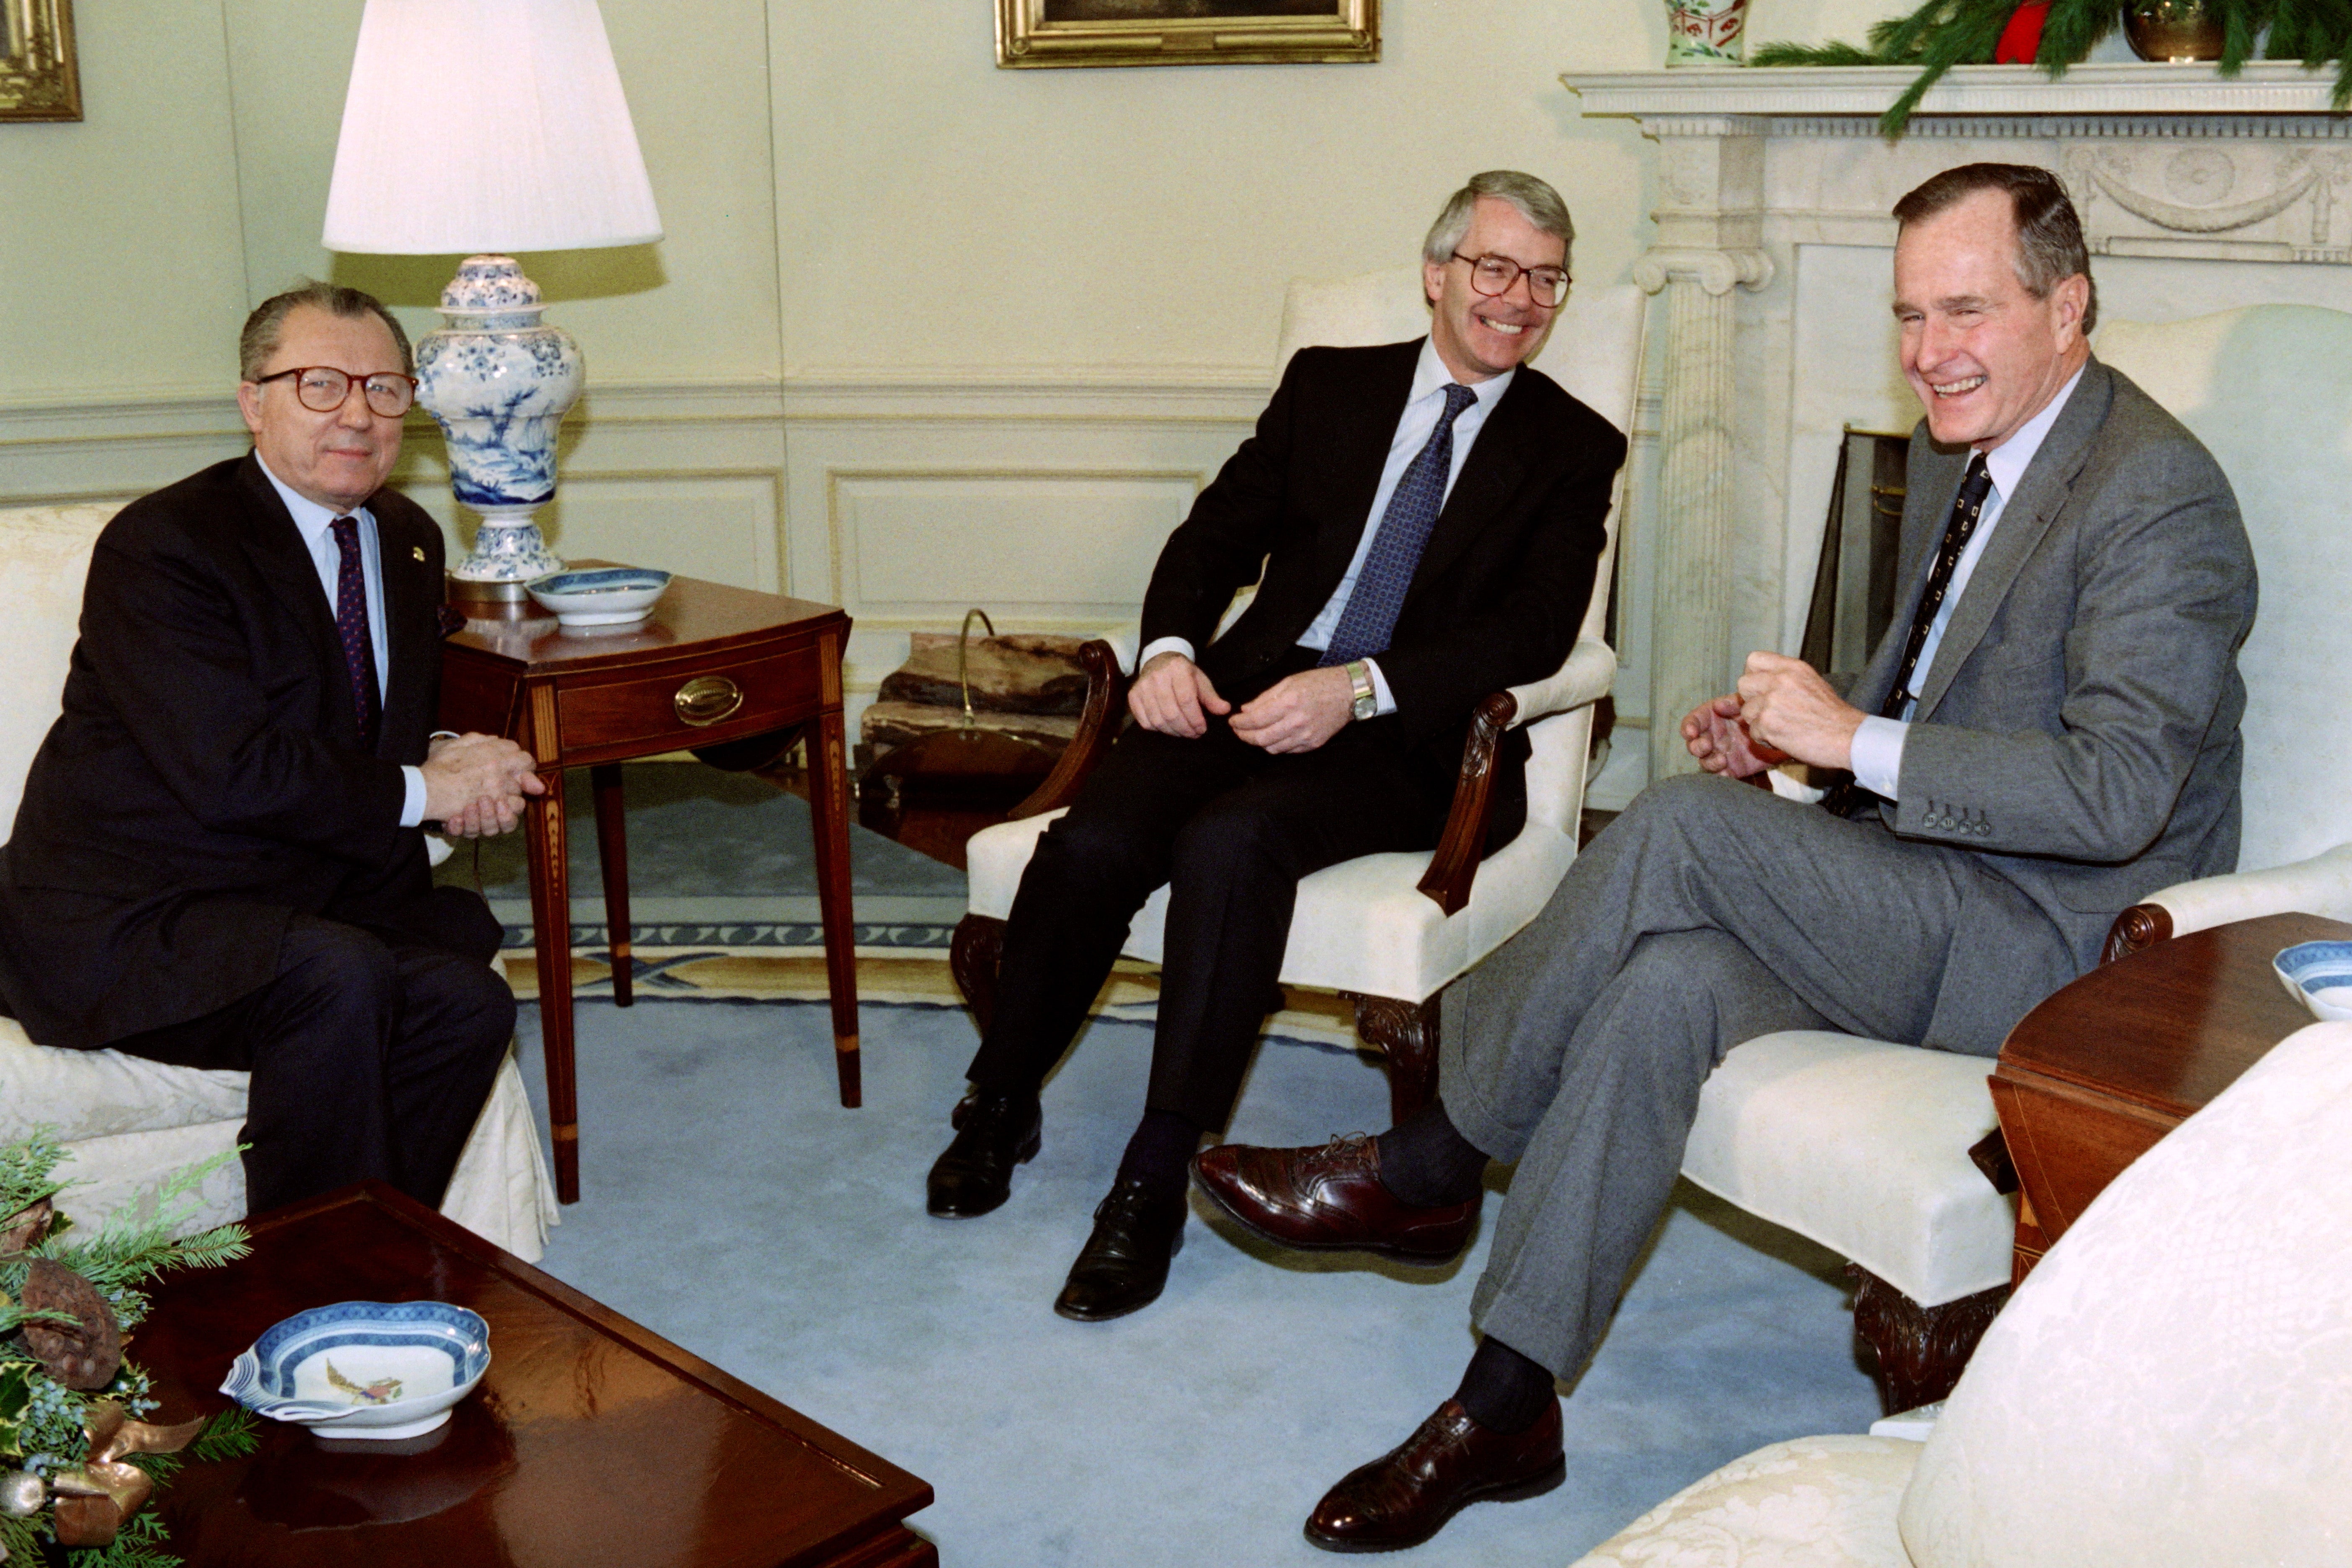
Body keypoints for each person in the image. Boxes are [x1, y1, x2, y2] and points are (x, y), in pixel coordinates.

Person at [1195, 162, 2257, 1552]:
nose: (1928, 351)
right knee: (1662, 986)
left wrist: (1854, 739)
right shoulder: (1988, 445)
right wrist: (1800, 752)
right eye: (1904, 315)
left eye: (1965, 310)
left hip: (2059, 950)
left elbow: (2116, 792)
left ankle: (1433, 1149)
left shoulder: (2158, 499)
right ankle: (1507, 1405)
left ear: (2067, 307)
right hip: (1926, 886)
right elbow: (1948, 713)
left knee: (1678, 826)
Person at [926, 171, 1628, 1323]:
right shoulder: (1332, 388)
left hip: (1412, 743)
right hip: (1250, 689)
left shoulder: (1570, 446)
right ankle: (1000, 1098)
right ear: (1438, 271)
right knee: (1096, 837)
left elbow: (1532, 630)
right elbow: (1214, 534)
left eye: (1547, 277)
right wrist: (1165, 653)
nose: (1521, 298)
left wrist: (1355, 688)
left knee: (1231, 843)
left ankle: (1153, 1175)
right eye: (1496, 268)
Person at [0, 282, 545, 1215]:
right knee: (336, 976)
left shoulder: (406, 541)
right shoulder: (167, 546)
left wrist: (454, 760)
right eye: (321, 385)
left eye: (384, 389)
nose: (359, 416)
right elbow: (231, 772)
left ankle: (361, 1259)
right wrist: (427, 790)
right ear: (254, 401)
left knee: (468, 1000)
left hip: (288, 900)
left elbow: (375, 732)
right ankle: (304, 1310)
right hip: (126, 913)